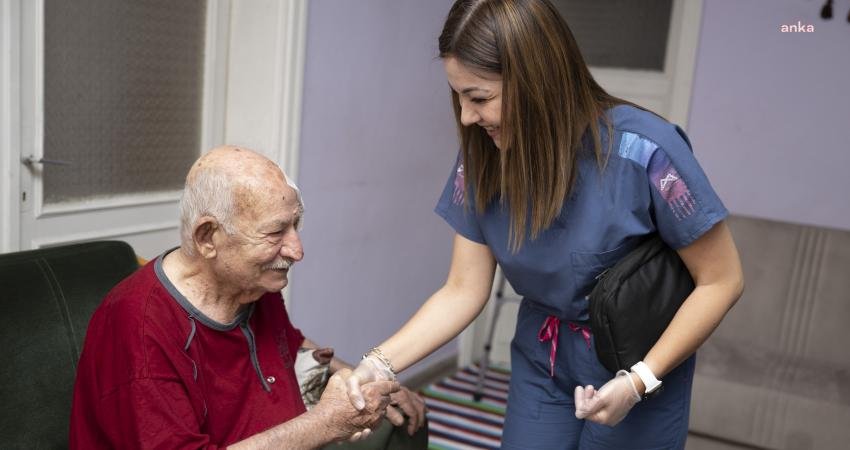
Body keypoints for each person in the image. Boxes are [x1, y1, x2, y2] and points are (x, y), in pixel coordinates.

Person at [345, 1, 745, 449]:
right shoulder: (483, 157)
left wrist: (640, 381)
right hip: (545, 360)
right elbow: (463, 289)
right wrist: (377, 365)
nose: (465, 117)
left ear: (537, 80)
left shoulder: (648, 153)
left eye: (479, 98)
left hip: (638, 358)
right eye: (458, 96)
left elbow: (721, 281)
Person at [69, 146, 427, 449]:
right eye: (275, 232)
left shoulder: (252, 284)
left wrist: (361, 381)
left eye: (295, 225)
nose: (297, 250)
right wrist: (327, 423)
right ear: (208, 237)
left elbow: (290, 344)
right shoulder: (139, 329)